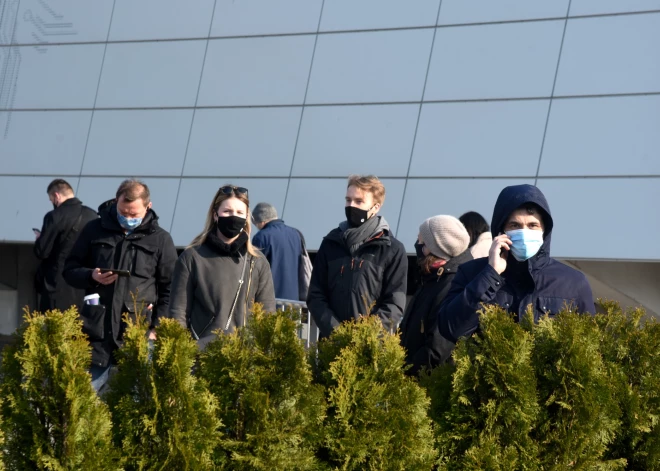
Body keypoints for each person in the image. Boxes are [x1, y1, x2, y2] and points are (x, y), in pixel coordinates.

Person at [438, 184, 595, 343]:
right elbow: (451, 329)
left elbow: (586, 348)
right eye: (515, 225)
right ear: (501, 231)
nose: (524, 232)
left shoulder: (572, 282)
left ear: (544, 230)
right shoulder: (471, 272)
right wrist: (490, 274)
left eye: (533, 225)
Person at [63, 179, 178, 391]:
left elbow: (169, 288)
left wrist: (156, 327)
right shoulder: (94, 229)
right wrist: (91, 276)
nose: (127, 218)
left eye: (134, 214)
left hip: (138, 332)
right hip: (96, 331)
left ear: (148, 206)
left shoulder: (161, 240)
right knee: (85, 397)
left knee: (136, 400)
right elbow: (69, 270)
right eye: (122, 212)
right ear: (116, 202)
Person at [169, 185, 276, 350]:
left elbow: (268, 314)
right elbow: (178, 312)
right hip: (201, 355)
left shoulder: (257, 261)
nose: (234, 217)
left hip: (246, 358)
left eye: (240, 213)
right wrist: (183, 353)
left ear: (247, 217)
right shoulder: (191, 258)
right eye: (227, 211)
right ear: (215, 215)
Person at [307, 175, 408, 339]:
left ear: (375, 207)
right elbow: (316, 295)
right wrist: (337, 333)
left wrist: (364, 336)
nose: (351, 206)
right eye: (348, 200)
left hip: (372, 348)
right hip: (332, 346)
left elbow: (394, 304)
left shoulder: (392, 249)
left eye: (359, 201)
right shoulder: (331, 243)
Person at [400, 216, 472, 375]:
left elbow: (437, 349)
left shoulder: (451, 285)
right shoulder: (432, 278)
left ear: (435, 248)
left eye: (421, 242)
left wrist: (405, 373)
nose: (417, 246)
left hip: (426, 384)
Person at [33, 179, 97, 313]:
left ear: (56, 195)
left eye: (51, 199)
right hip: (85, 284)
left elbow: (42, 252)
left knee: (54, 330)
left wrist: (39, 239)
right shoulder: (92, 215)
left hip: (57, 286)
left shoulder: (54, 216)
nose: (52, 203)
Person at [251, 202, 303, 300]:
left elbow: (255, 269)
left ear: (260, 221)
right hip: (294, 300)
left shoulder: (261, 236)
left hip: (271, 298)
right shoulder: (295, 234)